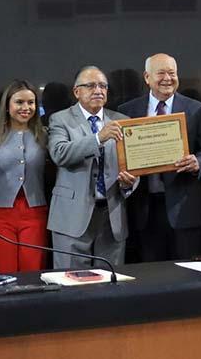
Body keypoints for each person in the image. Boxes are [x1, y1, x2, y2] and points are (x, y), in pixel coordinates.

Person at [118, 53, 201, 261]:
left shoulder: (196, 109)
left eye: (172, 73)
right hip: (143, 210)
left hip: (185, 208)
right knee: (151, 277)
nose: (167, 78)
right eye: (161, 73)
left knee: (188, 275)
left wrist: (199, 162)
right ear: (146, 77)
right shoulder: (127, 111)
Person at [47, 66, 138, 267]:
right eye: (90, 85)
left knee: (111, 286)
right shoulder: (60, 119)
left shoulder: (122, 121)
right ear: (76, 91)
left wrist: (129, 182)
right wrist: (99, 138)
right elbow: (60, 153)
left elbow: (133, 163)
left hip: (111, 216)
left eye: (103, 86)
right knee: (70, 285)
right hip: (72, 217)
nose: (98, 90)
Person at [0, 80, 50, 273]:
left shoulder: (44, 135)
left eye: (31, 103)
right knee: (2, 274)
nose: (26, 108)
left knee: (32, 272)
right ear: (7, 105)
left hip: (35, 213)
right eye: (19, 102)